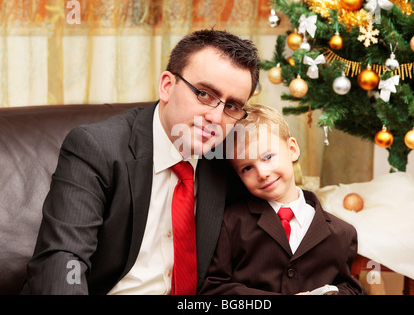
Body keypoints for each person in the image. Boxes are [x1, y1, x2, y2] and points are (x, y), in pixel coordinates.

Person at [24, 29, 260, 295]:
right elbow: (61, 260)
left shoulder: (227, 158)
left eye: (231, 106)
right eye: (204, 94)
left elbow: (273, 214)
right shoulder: (96, 147)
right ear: (167, 86)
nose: (216, 118)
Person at [199, 104, 366, 295]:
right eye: (247, 168)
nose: (262, 173)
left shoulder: (342, 233)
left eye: (268, 157)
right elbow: (213, 288)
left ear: (292, 149)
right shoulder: (230, 224)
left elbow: (350, 288)